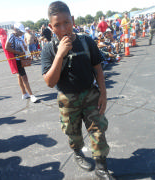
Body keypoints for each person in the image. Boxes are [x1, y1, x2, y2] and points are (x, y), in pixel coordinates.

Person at [41, 1, 114, 179]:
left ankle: (101, 166)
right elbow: (50, 82)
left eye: (66, 22)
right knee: (73, 133)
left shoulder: (86, 41)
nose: (63, 28)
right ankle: (78, 154)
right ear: (51, 27)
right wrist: (60, 55)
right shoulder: (49, 50)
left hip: (91, 95)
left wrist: (103, 93)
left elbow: (97, 68)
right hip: (67, 99)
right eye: (57, 25)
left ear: (72, 20)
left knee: (98, 130)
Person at [5, 23, 37, 103]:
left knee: (19, 76)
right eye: (21, 31)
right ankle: (31, 95)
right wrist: (19, 53)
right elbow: (7, 47)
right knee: (24, 77)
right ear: (16, 30)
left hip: (20, 59)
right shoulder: (11, 36)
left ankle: (24, 93)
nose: (22, 33)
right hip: (17, 60)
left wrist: (25, 55)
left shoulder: (17, 37)